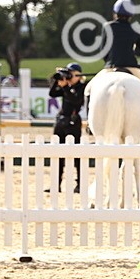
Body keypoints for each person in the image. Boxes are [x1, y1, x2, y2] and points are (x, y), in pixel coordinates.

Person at [86, 0, 140, 134]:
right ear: (131, 15)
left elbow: (103, 51)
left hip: (110, 67)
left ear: (115, 13)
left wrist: (109, 64)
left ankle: (90, 125)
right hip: (132, 67)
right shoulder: (134, 30)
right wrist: (139, 67)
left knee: (88, 90)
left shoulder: (107, 26)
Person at [49, 62, 86, 191]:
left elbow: (76, 100)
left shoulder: (82, 87)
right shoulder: (67, 85)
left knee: (76, 154)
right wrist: (58, 80)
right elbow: (52, 93)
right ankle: (56, 184)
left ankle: (80, 184)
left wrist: (65, 87)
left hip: (73, 121)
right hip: (61, 119)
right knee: (57, 153)